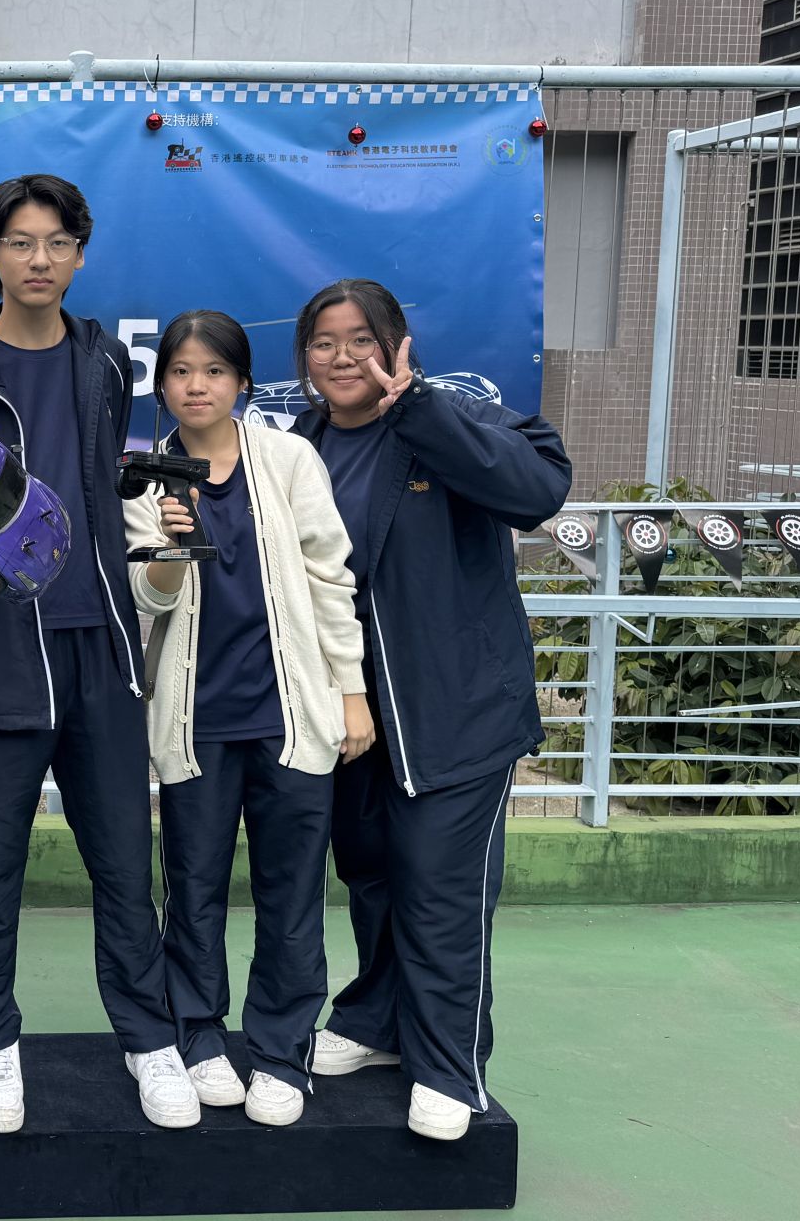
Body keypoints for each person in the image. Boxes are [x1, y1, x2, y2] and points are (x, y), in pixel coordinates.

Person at [0, 173, 198, 1135]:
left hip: (102, 652)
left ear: (80, 255)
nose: (39, 260)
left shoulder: (105, 361)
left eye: (57, 243)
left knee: (124, 865)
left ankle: (149, 1040)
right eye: (21, 243)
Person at [289, 278, 570, 1141]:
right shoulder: (300, 447)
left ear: (397, 345)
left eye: (360, 340)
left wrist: (420, 410)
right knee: (372, 875)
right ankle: (377, 1021)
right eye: (325, 342)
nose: (343, 357)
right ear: (304, 358)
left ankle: (449, 1065)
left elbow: (538, 488)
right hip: (350, 717)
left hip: (454, 713)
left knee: (442, 891)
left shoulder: (455, 418)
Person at [123, 310, 371, 1128]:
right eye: (180, 371)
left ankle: (281, 1052)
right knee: (193, 890)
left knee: (291, 894)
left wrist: (350, 691)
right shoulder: (145, 478)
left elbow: (330, 577)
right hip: (196, 725)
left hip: (290, 717)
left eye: (214, 371)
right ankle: (198, 1038)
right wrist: (168, 549)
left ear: (241, 383)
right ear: (162, 384)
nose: (196, 386)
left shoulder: (289, 458)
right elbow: (148, 599)